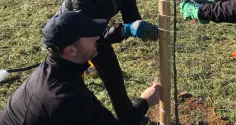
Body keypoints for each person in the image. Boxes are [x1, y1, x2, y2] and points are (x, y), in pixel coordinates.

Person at [57, 0, 159, 123]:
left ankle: (130, 117)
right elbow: (88, 30)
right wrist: (126, 30)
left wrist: (140, 27)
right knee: (72, 90)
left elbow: (131, 15)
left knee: (114, 78)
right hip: (70, 41)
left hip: (96, 35)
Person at [0, 12, 161, 125]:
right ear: (71, 50)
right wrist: (144, 102)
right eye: (90, 35)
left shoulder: (51, 70)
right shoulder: (67, 97)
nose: (98, 37)